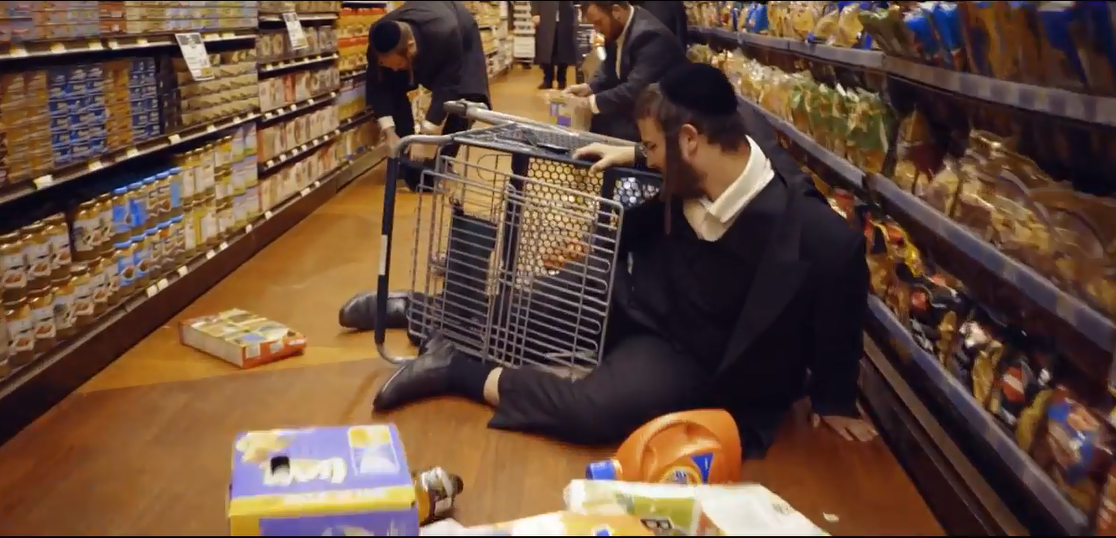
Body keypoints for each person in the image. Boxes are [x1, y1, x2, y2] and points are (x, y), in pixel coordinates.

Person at [364, 63, 879, 457]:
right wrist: (631, 157)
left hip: (687, 352)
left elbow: (840, 301)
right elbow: (668, 161)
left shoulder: (816, 237)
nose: (647, 159)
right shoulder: (718, 141)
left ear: (690, 141)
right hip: (633, 284)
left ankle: (454, 370)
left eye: (651, 148)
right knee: (522, 308)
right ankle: (419, 311)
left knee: (592, 411)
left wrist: (835, 397)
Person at [365, 1, 490, 192]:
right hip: (418, 34)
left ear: (410, 47)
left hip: (460, 32)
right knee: (392, 83)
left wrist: (424, 136)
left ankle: (442, 161)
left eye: (398, 65)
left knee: (467, 98)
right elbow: (379, 86)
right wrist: (390, 132)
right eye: (387, 64)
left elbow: (447, 87)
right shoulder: (379, 39)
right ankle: (407, 159)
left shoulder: (446, 33)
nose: (394, 69)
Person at [562, 1, 686, 142]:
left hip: (662, 122)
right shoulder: (618, 28)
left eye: (598, 23)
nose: (597, 30)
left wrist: (589, 103)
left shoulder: (650, 36)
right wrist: (589, 88)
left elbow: (636, 89)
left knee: (594, 128)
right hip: (637, 114)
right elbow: (609, 71)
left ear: (616, 11)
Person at [531, 1, 579, 90]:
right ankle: (547, 79)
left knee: (564, 49)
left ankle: (562, 80)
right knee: (546, 49)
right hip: (546, 14)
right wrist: (535, 12)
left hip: (566, 16)